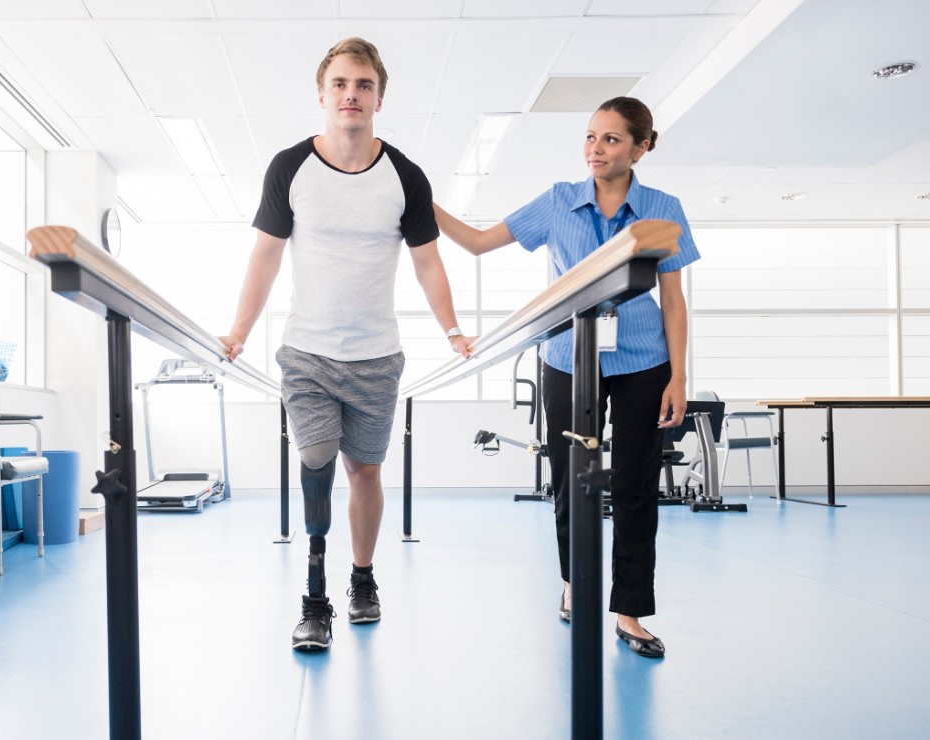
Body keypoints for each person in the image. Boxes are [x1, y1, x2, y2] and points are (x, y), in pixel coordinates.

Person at [219, 37, 474, 652]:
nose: (351, 94)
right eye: (340, 83)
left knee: (364, 470)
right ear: (322, 94)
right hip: (307, 351)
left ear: (379, 98)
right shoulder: (290, 167)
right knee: (315, 457)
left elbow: (429, 263)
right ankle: (314, 598)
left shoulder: (405, 176)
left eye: (363, 85)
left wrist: (453, 331)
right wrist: (239, 332)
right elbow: (265, 255)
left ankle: (362, 578)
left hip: (377, 356)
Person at [433, 97, 698, 658]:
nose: (595, 149)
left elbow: (673, 300)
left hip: (643, 361)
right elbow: (478, 243)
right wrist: (420, 201)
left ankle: (629, 612)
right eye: (590, 137)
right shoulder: (559, 202)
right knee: (571, 480)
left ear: (641, 148)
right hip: (567, 358)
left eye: (611, 139)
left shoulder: (662, 209)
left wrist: (679, 376)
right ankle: (575, 582)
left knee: (635, 486)